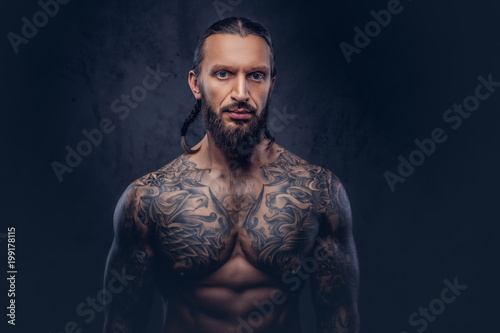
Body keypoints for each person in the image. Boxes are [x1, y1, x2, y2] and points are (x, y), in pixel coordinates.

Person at [103, 16, 359, 333]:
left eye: (256, 75)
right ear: (196, 84)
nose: (241, 92)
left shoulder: (318, 192)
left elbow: (339, 319)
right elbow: (122, 322)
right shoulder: (148, 200)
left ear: (272, 84)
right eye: (223, 74)